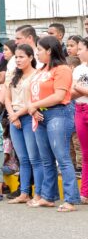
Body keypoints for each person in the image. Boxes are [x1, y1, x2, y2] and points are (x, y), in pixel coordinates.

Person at [27, 36, 80, 211]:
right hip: (40, 115)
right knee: (46, 160)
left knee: (62, 158)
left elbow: (59, 96)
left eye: (40, 50)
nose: (37, 53)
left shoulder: (62, 69)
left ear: (49, 50)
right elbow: (31, 92)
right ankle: (48, 197)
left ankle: (71, 199)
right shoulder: (41, 70)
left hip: (59, 114)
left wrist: (35, 105)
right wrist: (33, 108)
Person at [4, 43, 41, 205]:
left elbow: (35, 100)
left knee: (35, 158)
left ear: (31, 58)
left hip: (29, 117)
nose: (18, 60)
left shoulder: (37, 75)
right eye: (16, 57)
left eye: (21, 57)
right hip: (14, 119)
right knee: (23, 159)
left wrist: (17, 115)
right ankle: (24, 192)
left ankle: (38, 194)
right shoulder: (12, 75)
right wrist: (12, 115)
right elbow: (7, 98)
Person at [71, 37, 88, 204]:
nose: (78, 52)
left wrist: (78, 87)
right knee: (86, 154)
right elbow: (71, 92)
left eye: (81, 48)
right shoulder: (77, 69)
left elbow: (76, 88)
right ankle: (85, 192)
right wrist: (80, 89)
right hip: (80, 109)